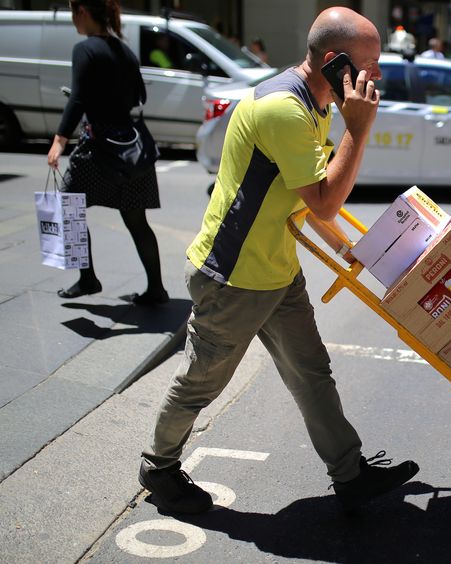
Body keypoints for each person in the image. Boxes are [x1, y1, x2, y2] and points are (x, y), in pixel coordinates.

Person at [137, 6, 419, 515]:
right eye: (369, 63)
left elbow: (305, 194)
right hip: (235, 277)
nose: (376, 73)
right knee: (202, 382)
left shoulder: (318, 101)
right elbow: (326, 198)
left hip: (275, 269)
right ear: (335, 62)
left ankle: (350, 473)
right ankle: (158, 468)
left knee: (311, 371)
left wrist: (343, 248)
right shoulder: (284, 110)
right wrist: (360, 127)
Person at [47, 0, 168, 306]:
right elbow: (138, 95)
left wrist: (59, 140)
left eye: (73, 13)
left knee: (68, 206)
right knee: (136, 220)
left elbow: (77, 99)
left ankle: (87, 278)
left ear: (83, 12)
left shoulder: (85, 49)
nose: (74, 20)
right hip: (131, 148)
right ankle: (157, 289)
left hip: (97, 147)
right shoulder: (125, 50)